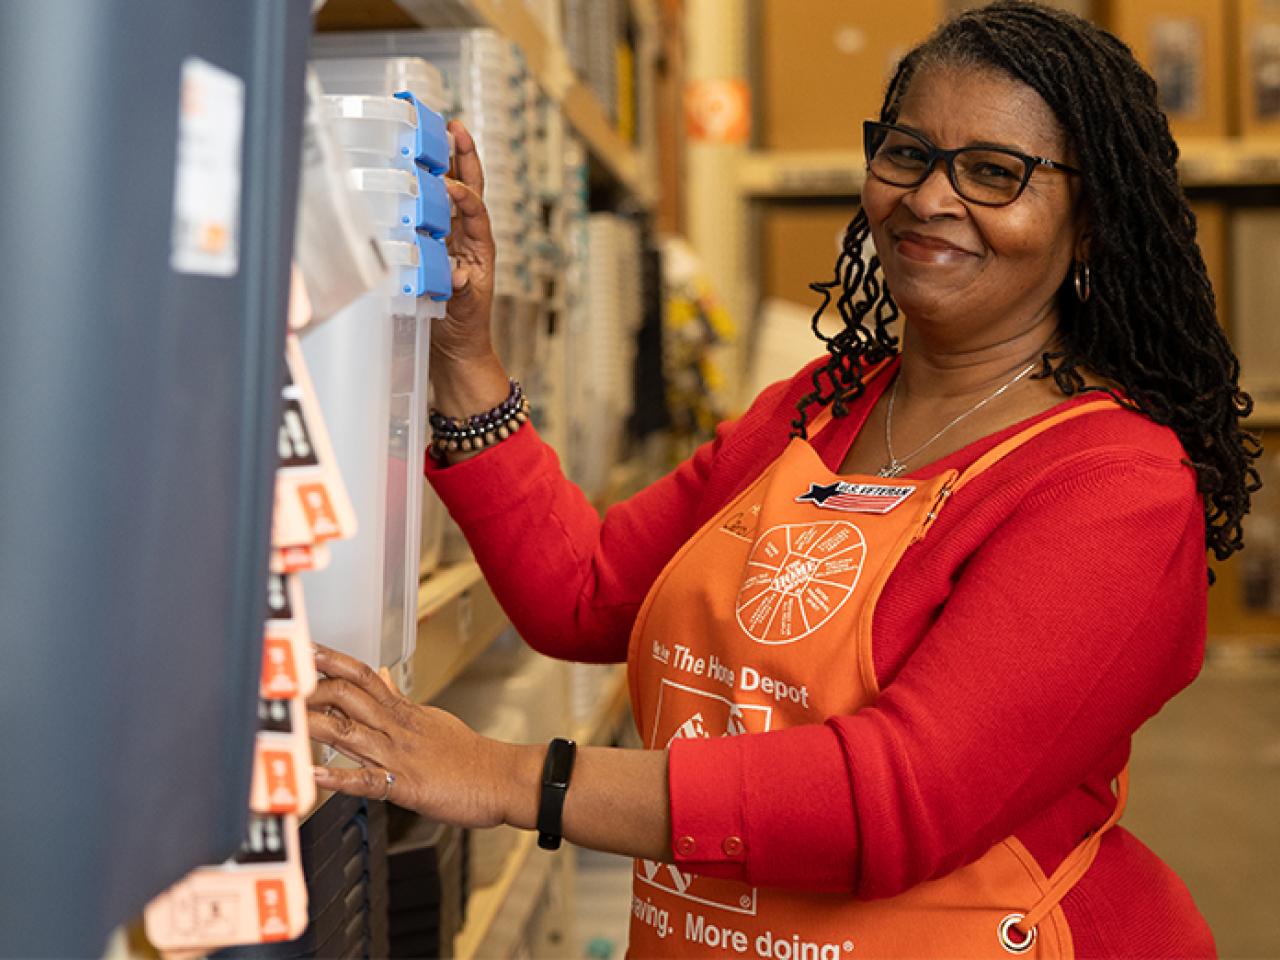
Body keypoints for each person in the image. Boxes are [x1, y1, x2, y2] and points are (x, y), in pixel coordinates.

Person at [308, 2, 1260, 955]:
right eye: (907, 153)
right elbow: (586, 596)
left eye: (995, 174)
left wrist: (510, 777)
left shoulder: (1115, 486)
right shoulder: (821, 406)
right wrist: (467, 360)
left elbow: (893, 797)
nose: (931, 198)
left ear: (1090, 223)